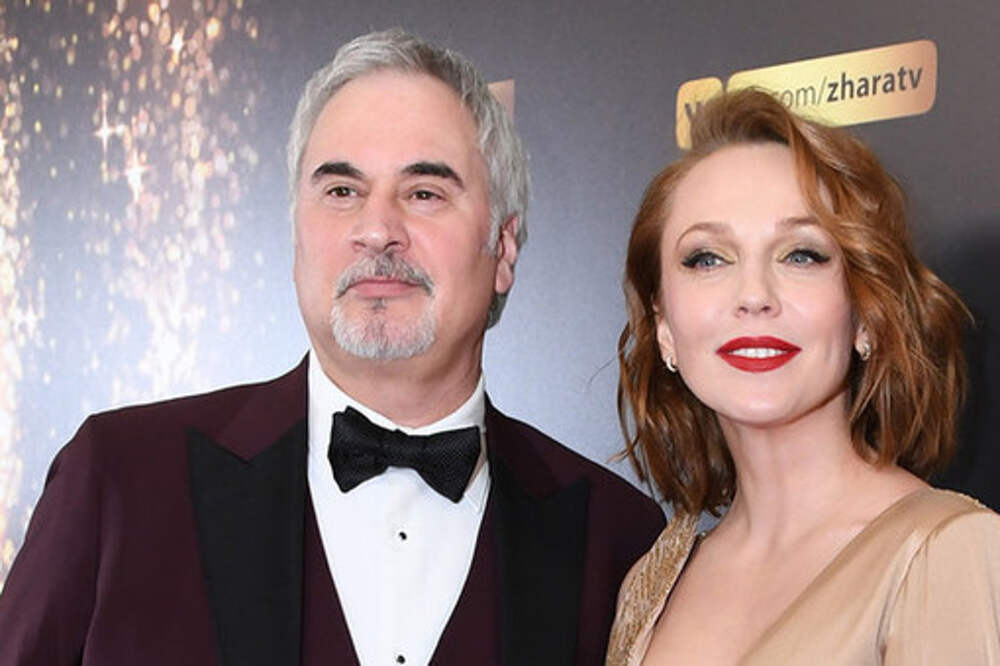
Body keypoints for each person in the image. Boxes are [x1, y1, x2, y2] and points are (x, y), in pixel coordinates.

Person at [0, 29, 665, 665]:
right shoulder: (117, 480)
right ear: (297, 234)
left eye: (424, 193)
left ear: (505, 249)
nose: (377, 229)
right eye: (342, 191)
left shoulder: (616, 541)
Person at [605, 89, 1000, 665]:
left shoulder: (945, 550)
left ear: (865, 313)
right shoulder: (653, 582)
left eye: (801, 255)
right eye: (708, 258)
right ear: (663, 324)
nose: (754, 295)